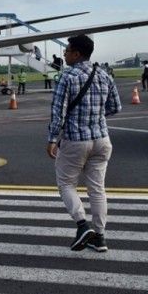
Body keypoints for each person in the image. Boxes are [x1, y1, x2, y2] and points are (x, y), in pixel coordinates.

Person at [47, 35, 121, 253]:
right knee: (97, 189)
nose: (64, 54)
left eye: (67, 50)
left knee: (66, 184)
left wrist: (52, 139)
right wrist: (95, 115)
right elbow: (115, 107)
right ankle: (100, 237)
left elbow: (58, 113)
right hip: (102, 139)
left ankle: (82, 225)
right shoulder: (104, 75)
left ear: (77, 54)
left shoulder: (66, 76)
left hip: (75, 140)